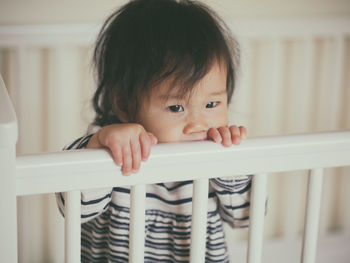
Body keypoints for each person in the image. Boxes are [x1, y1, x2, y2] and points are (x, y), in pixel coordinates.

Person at [56, 0, 251, 262]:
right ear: (124, 105)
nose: (198, 125)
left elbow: (245, 218)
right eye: (176, 107)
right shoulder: (111, 147)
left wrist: (233, 165)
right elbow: (72, 207)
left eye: (211, 104)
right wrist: (100, 142)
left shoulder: (217, 154)